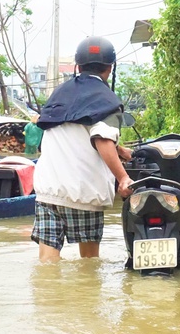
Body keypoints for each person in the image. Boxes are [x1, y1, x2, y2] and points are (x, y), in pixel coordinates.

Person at [31, 36, 135, 262]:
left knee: (47, 263)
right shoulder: (107, 100)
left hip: (48, 190)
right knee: (89, 264)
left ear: (78, 66)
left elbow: (77, 131)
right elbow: (102, 139)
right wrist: (124, 178)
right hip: (83, 191)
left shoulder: (60, 94)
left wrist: (121, 150)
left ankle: (48, 297)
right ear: (110, 68)